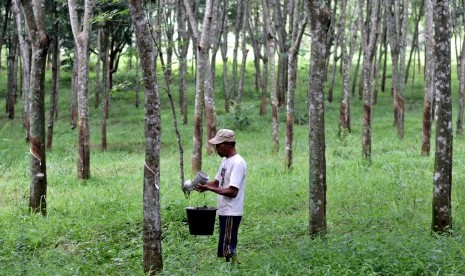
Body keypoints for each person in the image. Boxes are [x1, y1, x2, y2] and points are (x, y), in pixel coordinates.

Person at [196, 129, 247, 263]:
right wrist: (202, 185)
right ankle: (231, 266)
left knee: (228, 245)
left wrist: (209, 188)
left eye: (218, 146)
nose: (216, 149)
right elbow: (217, 182)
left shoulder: (238, 163)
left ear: (228, 144)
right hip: (224, 209)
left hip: (232, 210)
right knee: (225, 242)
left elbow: (232, 191)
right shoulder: (225, 161)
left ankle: (232, 268)